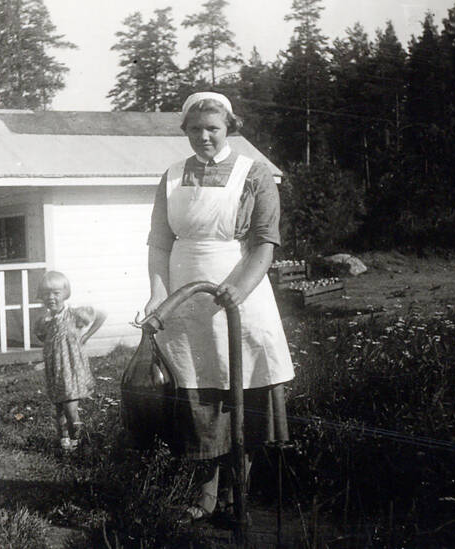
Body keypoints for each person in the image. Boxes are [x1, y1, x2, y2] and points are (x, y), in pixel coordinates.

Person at [145, 92, 295, 521]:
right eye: (195, 129)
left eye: (213, 128)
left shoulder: (254, 173)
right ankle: (204, 498)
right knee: (198, 395)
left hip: (238, 295)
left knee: (242, 392)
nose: (204, 137)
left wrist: (238, 288)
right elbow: (159, 244)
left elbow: (264, 245)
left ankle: (238, 497)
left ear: (230, 125)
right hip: (185, 300)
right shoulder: (172, 176)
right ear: (185, 131)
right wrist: (158, 294)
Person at [34, 271, 106, 452]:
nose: (51, 297)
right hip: (55, 370)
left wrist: (85, 337)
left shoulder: (74, 314)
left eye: (56, 293)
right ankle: (64, 441)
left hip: (72, 370)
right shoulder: (43, 320)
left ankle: (78, 439)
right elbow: (42, 336)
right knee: (59, 408)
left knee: (70, 408)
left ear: (65, 294)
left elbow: (102, 314)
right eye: (46, 294)